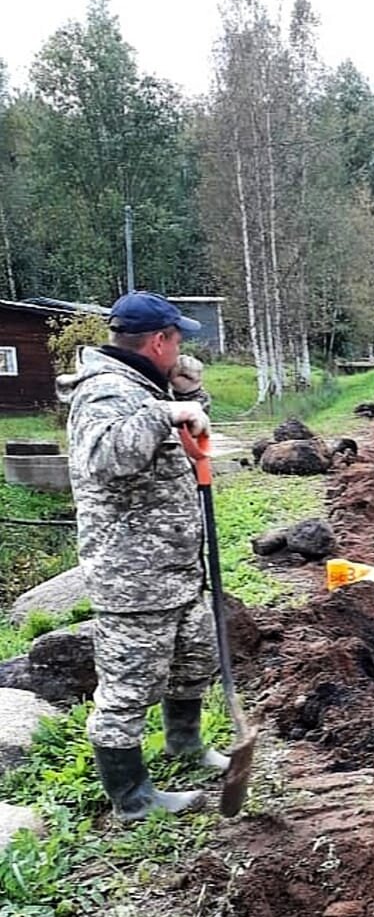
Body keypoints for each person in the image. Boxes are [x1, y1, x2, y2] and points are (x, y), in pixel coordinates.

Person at [57, 292, 228, 822]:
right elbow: (107, 459)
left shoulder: (142, 386)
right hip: (134, 578)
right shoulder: (105, 392)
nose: (180, 350)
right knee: (127, 688)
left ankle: (185, 743)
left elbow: (186, 435)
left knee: (194, 658)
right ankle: (132, 797)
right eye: (177, 342)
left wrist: (189, 395)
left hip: (175, 569)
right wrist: (163, 409)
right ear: (158, 341)